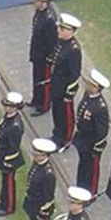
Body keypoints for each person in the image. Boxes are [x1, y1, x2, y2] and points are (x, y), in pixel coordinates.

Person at [19, 138, 57, 220]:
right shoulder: (37, 164)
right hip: (32, 203)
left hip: (41, 207)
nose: (34, 156)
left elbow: (48, 196)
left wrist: (44, 212)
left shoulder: (48, 174)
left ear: (44, 155)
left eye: (37, 154)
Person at [48, 13, 83, 149]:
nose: (58, 31)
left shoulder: (74, 49)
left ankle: (65, 139)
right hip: (56, 82)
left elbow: (75, 73)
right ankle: (57, 134)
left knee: (65, 115)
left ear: (70, 31)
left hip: (64, 86)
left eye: (62, 29)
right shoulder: (61, 42)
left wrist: (69, 94)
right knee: (56, 111)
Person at [73, 69, 110, 194]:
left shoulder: (100, 107)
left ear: (96, 88)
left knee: (91, 169)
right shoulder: (88, 95)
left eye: (89, 84)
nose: (86, 85)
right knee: (83, 166)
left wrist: (97, 147)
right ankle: (81, 186)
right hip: (83, 139)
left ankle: (90, 192)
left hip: (91, 142)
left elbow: (102, 130)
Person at [0, 92, 26, 216]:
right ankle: (3, 202)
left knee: (9, 183)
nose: (5, 108)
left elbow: (12, 147)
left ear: (14, 107)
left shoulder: (15, 126)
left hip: (9, 158)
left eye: (8, 106)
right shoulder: (8, 117)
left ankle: (9, 207)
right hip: (3, 154)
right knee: (4, 181)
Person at [27, 0, 58, 114]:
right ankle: (36, 99)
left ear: (43, 2)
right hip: (37, 52)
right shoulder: (39, 13)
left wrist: (50, 58)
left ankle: (44, 105)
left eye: (36, 1)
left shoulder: (49, 19)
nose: (34, 3)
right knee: (36, 77)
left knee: (43, 81)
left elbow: (52, 41)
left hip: (44, 56)